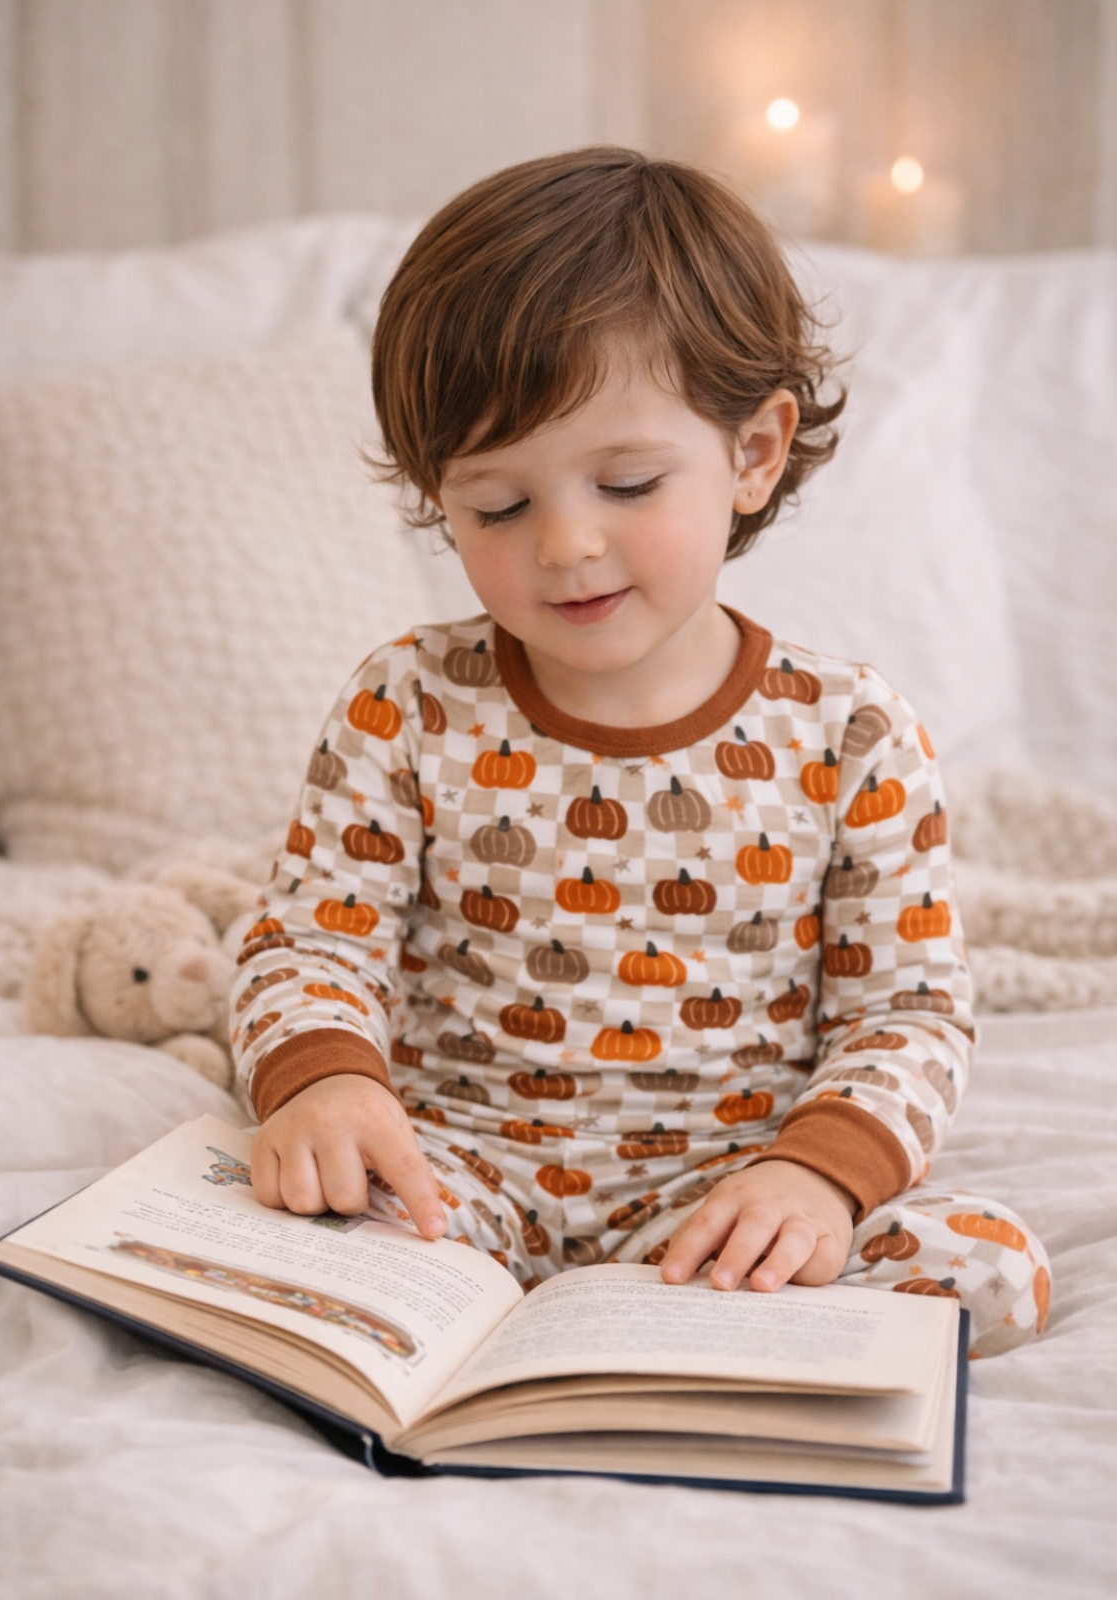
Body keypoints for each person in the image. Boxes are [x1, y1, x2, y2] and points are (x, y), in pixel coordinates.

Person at [230, 147, 1049, 1357]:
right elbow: (313, 936)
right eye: (498, 507)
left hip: (725, 1198)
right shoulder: (404, 703)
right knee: (258, 1236)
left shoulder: (852, 732)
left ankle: (675, 1319)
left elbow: (909, 1012)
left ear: (754, 455)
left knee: (995, 1274)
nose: (565, 545)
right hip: (454, 1173)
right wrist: (325, 1082)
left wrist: (819, 1179)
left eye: (625, 482)